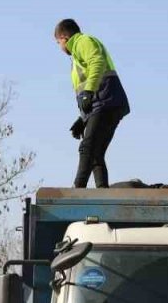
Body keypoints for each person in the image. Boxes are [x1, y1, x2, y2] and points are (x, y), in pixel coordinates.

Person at [54, 18, 130, 189]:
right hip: (105, 102)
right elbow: (87, 91)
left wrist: (88, 92)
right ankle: (102, 193)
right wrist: (83, 119)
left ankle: (77, 190)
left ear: (64, 38)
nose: (59, 47)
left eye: (58, 43)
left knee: (87, 147)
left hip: (106, 101)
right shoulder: (77, 54)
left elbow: (97, 62)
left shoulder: (82, 42)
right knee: (95, 154)